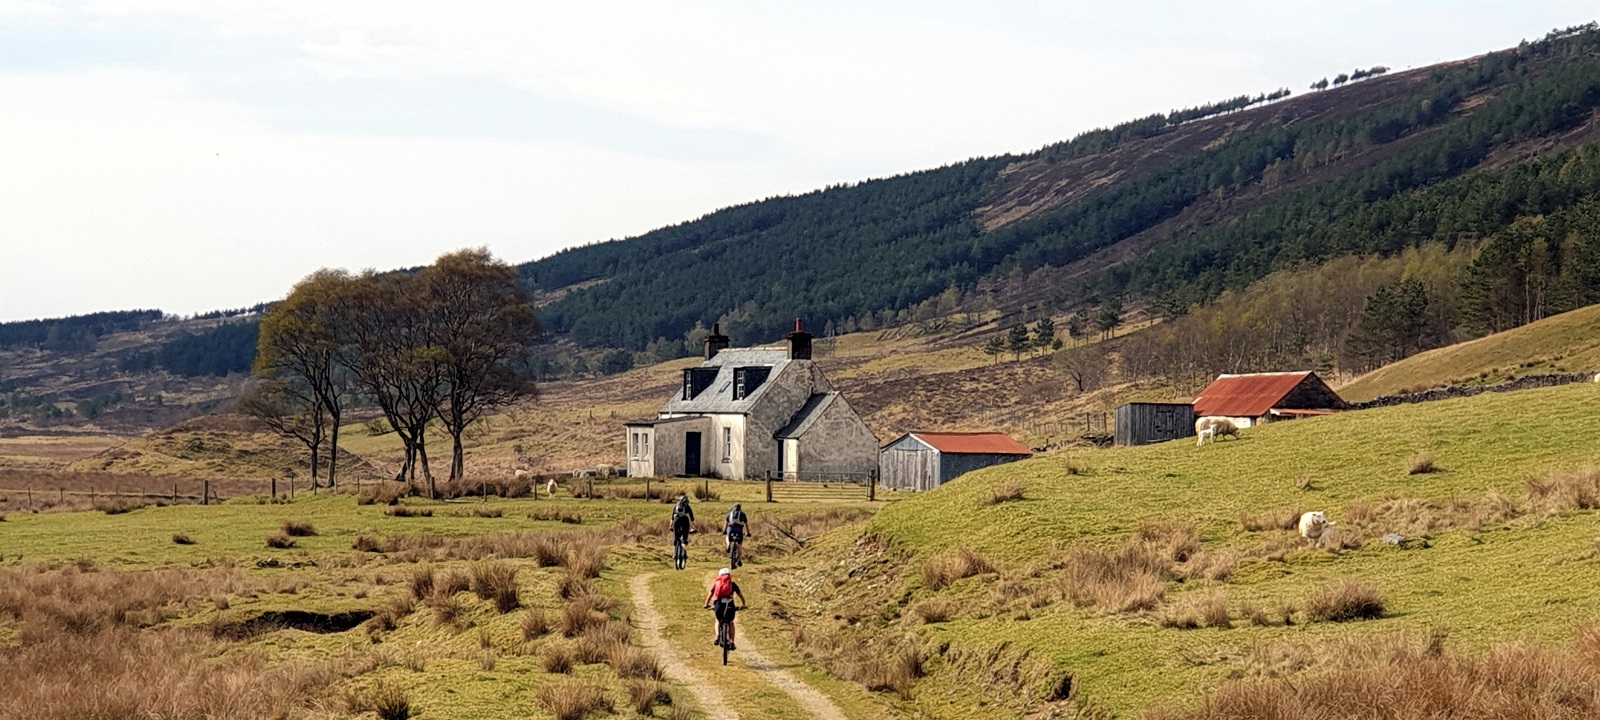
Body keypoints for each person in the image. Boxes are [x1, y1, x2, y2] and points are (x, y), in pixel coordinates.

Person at [702, 567, 746, 648]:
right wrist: (743, 604)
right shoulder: (733, 584)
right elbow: (740, 595)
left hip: (719, 604)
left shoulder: (717, 584)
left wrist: (706, 604)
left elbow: (710, 595)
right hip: (730, 605)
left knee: (718, 620)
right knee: (731, 622)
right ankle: (732, 642)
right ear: (730, 576)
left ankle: (718, 635)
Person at [671, 494, 694, 563]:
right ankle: (683, 552)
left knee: (675, 538)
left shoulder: (675, 506)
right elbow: (691, 518)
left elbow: (672, 518)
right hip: (684, 521)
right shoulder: (687, 507)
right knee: (684, 538)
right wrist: (693, 527)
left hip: (676, 521)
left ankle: (674, 553)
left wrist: (670, 526)